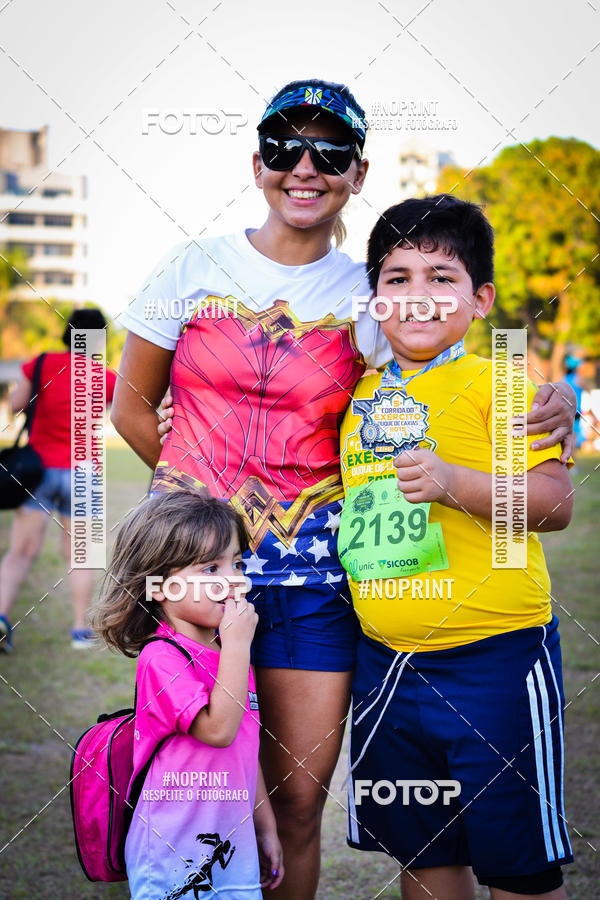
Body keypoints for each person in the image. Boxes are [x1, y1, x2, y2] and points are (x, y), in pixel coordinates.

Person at [112, 79, 576, 899]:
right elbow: (131, 409)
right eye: (286, 146)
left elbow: (445, 359)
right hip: (199, 581)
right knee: (197, 792)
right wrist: (194, 508)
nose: (306, 165)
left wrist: (545, 392)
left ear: (357, 173)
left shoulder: (368, 304)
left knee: (295, 805)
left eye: (330, 151)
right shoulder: (191, 266)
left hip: (318, 584)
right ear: (257, 162)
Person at [340, 195, 574, 900]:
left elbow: (555, 503)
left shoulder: (498, 382)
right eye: (396, 277)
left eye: (441, 277)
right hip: (385, 669)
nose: (416, 296)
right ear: (375, 298)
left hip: (493, 663)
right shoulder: (361, 394)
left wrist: (452, 482)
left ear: (480, 300)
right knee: (426, 858)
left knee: (517, 867)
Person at [92, 491, 283, 899]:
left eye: (236, 563)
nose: (233, 580)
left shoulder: (228, 654)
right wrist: (236, 648)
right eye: (211, 568)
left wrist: (263, 825)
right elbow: (218, 731)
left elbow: (244, 748)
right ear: (158, 585)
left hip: (231, 846)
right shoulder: (161, 658)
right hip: (173, 850)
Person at [0, 307, 116, 652]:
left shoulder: (41, 365)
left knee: (21, 551)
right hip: (86, 474)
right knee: (80, 555)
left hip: (38, 471)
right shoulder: (106, 377)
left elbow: (16, 404)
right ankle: (80, 630)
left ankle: (2, 619)